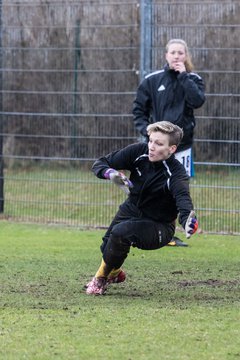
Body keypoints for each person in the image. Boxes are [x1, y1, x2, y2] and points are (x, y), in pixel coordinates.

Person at [85, 121, 198, 295]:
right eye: (151, 141)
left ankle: (99, 279)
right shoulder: (139, 152)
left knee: (120, 232)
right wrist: (110, 173)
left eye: (159, 144)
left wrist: (188, 220)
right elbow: (101, 163)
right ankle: (115, 273)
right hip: (131, 208)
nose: (152, 147)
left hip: (159, 225)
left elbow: (183, 199)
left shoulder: (176, 173)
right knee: (108, 247)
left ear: (172, 149)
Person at [132, 39, 205, 246]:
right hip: (158, 148)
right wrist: (149, 135)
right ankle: (152, 227)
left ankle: (173, 229)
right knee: (155, 185)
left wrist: (183, 77)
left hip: (183, 146)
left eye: (180, 53)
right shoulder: (153, 80)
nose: (176, 56)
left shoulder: (193, 79)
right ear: (166, 55)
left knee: (178, 186)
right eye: (172, 52)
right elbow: (139, 109)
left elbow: (197, 101)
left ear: (186, 56)